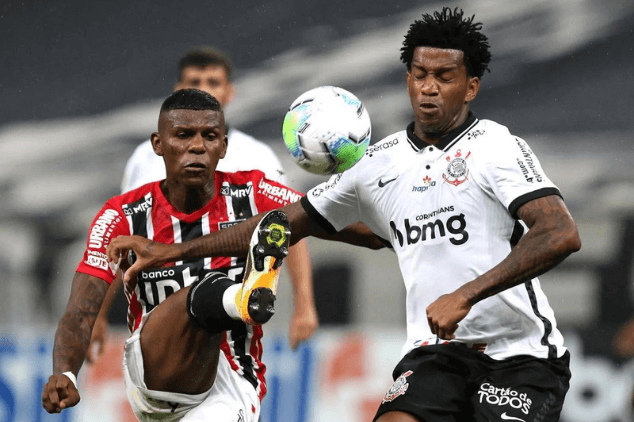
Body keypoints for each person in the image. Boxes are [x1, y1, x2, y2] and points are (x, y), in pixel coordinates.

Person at [107, 8, 583, 421]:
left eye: (445, 77)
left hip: (520, 357)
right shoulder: (379, 163)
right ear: (407, 78)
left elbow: (560, 233)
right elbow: (279, 222)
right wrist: (172, 250)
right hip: (433, 356)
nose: (429, 89)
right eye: (420, 74)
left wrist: (466, 294)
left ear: (471, 86)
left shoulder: (496, 147)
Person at [41, 89, 341, 421]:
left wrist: (385, 223)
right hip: (156, 373)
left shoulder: (252, 194)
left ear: (223, 146)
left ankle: (236, 297)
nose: (196, 146)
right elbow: (80, 310)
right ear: (158, 144)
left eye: (209, 136)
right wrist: (66, 372)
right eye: (183, 135)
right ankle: (240, 299)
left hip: (235, 381)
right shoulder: (122, 215)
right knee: (204, 290)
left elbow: (326, 218)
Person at [87, 46, 318, 365]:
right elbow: (123, 240)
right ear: (178, 89)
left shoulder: (257, 157)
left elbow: (288, 225)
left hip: (230, 324)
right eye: (195, 81)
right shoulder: (146, 158)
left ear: (230, 92)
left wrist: (304, 305)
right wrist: (97, 313)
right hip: (159, 316)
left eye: (214, 82)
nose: (204, 89)